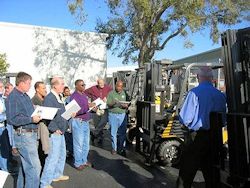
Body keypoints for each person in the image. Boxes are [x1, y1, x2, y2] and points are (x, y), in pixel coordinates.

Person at [176, 66, 227, 188]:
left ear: (199, 77)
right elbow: (224, 120)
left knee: (187, 172)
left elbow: (185, 118)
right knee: (212, 172)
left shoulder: (194, 93)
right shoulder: (220, 95)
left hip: (197, 137)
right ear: (212, 78)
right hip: (215, 137)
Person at [6, 72, 42, 188]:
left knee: (26, 167)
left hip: (29, 135)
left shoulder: (24, 95)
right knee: (34, 168)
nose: (30, 86)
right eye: (28, 83)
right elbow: (12, 119)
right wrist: (31, 118)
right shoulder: (13, 97)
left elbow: (24, 113)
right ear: (21, 83)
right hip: (24, 135)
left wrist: (36, 111)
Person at [40, 77, 70, 188]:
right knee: (52, 158)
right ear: (55, 86)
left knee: (61, 155)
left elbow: (60, 114)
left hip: (61, 131)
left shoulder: (58, 96)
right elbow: (47, 116)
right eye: (61, 84)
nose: (63, 86)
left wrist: (69, 114)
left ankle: (56, 175)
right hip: (55, 132)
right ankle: (44, 183)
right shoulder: (49, 98)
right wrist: (54, 128)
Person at [70, 79, 93, 170]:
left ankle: (84, 160)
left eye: (84, 84)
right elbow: (74, 111)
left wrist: (92, 108)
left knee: (86, 144)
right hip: (78, 121)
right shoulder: (73, 96)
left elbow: (86, 107)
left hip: (85, 122)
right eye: (82, 85)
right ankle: (78, 163)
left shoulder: (84, 95)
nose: (84, 86)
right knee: (78, 144)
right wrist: (88, 106)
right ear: (76, 86)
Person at [85, 78, 112, 143]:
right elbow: (85, 92)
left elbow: (112, 95)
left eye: (103, 83)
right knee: (97, 123)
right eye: (100, 83)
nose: (102, 84)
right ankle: (99, 137)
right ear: (97, 83)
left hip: (104, 107)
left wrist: (107, 98)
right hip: (96, 108)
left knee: (104, 121)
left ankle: (94, 133)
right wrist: (91, 97)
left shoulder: (108, 88)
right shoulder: (93, 88)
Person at [107, 80, 128, 155]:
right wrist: (114, 103)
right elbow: (108, 104)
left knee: (122, 132)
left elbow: (126, 103)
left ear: (122, 87)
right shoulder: (111, 93)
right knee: (113, 132)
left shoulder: (124, 93)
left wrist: (125, 106)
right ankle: (114, 148)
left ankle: (122, 148)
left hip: (122, 114)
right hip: (113, 115)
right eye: (117, 86)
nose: (119, 88)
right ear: (115, 86)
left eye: (120, 86)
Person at [31, 81, 48, 170]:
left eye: (45, 88)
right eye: (43, 88)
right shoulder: (34, 100)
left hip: (45, 126)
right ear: (37, 89)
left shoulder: (44, 99)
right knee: (40, 150)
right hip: (39, 128)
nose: (45, 90)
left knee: (44, 150)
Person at [0, 80, 8, 171]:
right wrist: (6, 116)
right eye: (0, 87)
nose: (2, 89)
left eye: (2, 87)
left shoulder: (3, 99)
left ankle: (4, 169)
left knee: (4, 149)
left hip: (3, 127)